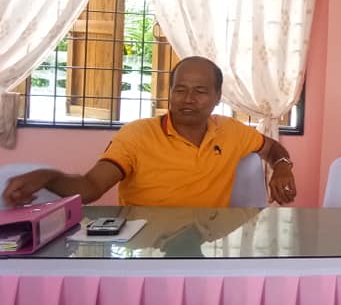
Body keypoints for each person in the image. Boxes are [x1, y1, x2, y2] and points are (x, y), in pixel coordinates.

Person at [2, 56, 297, 208]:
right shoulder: (137, 135)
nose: (188, 99)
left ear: (218, 97)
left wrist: (282, 166)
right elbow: (91, 188)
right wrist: (49, 176)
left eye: (200, 91)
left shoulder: (230, 131)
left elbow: (272, 149)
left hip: (208, 244)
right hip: (146, 245)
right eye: (180, 90)